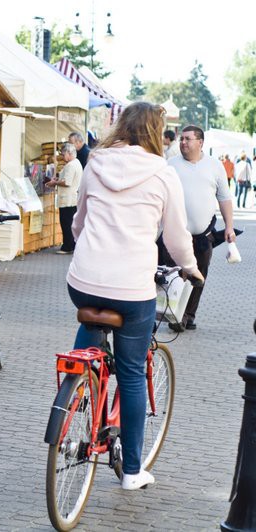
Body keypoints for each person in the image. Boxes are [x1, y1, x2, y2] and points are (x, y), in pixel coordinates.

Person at [67, 102, 202, 490]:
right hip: (130, 290)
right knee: (130, 373)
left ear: (121, 125)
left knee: (90, 323)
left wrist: (89, 249)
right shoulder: (163, 173)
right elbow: (175, 237)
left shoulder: (95, 162)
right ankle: (131, 471)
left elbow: (79, 221)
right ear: (157, 132)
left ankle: (77, 388)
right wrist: (190, 267)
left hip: (83, 281)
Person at [164, 125, 235, 332]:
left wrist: (229, 227)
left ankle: (188, 315)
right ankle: (175, 315)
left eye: (188, 139)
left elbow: (224, 198)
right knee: (176, 275)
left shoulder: (214, 165)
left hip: (204, 235)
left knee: (199, 275)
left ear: (200, 142)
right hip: (176, 234)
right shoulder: (171, 165)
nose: (183, 142)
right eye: (181, 139)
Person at [46, 143, 82, 254]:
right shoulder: (77, 163)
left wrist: (54, 183)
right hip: (72, 198)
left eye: (63, 154)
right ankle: (71, 244)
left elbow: (67, 182)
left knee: (66, 223)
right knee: (69, 223)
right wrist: (58, 179)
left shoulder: (71, 165)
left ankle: (67, 246)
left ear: (69, 153)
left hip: (68, 199)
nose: (62, 156)